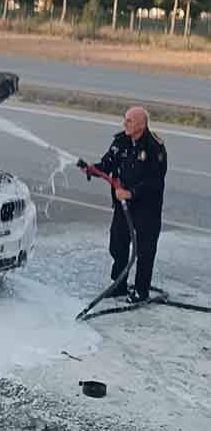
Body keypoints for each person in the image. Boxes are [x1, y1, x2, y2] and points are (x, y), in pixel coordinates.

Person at [84, 106, 167, 303]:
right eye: (125, 119)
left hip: (147, 208)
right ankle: (119, 285)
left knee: (145, 251)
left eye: (129, 121)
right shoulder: (121, 141)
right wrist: (93, 169)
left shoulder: (154, 147)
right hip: (124, 207)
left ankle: (141, 291)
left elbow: (155, 182)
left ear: (141, 124)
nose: (125, 123)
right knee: (117, 245)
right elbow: (108, 163)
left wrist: (131, 193)